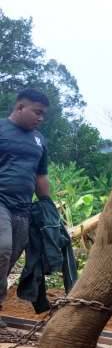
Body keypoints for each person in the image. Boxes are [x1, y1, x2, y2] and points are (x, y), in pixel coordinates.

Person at [0, 89, 51, 328]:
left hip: (23, 209)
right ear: (20, 107)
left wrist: (47, 207)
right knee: (2, 249)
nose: (40, 118)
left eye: (43, 114)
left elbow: (41, 175)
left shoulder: (39, 140)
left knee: (9, 258)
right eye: (37, 112)